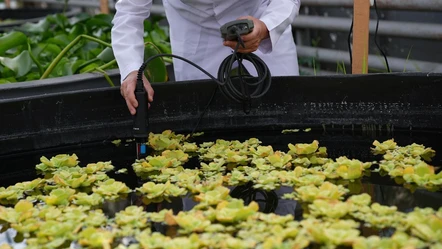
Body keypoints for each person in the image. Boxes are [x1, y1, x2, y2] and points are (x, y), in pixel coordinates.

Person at [111, 0, 301, 115]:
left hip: (258, 16)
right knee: (202, 123)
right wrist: (131, 69)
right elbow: (130, 12)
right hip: (195, 31)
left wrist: (267, 26)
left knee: (285, 113)